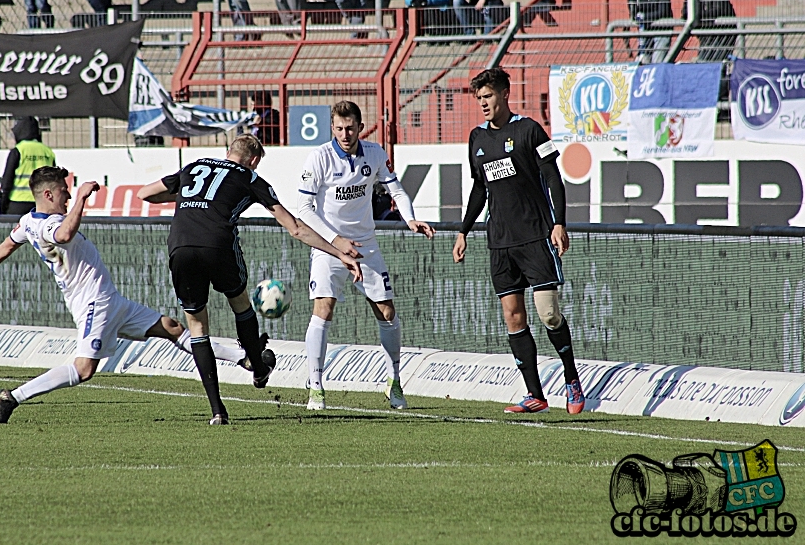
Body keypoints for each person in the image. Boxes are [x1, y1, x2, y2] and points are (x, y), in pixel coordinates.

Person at [138, 134, 363, 425]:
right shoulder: (251, 178)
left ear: (227, 151)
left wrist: (187, 196)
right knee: (241, 304)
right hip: (217, 244)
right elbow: (295, 228)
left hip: (180, 245)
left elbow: (146, 193)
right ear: (254, 161)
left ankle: (218, 410)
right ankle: (257, 367)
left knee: (196, 326)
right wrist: (337, 252)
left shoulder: (193, 168)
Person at [0, 167, 206, 423]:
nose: (68, 195)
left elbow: (9, 243)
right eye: (63, 190)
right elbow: (64, 235)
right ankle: (12, 397)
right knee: (83, 370)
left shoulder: (28, 221)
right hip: (94, 303)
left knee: (172, 327)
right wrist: (82, 198)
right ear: (48, 194)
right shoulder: (51, 224)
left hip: (111, 300)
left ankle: (244, 359)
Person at [452, 68, 585, 415]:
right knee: (513, 317)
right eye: (479, 98)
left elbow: (554, 179)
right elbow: (479, 188)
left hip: (535, 237)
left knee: (549, 314)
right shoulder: (477, 139)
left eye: (488, 96)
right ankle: (535, 395)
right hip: (500, 243)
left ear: (505, 94)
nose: (483, 103)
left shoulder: (529, 130)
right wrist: (464, 231)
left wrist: (559, 223)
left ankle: (571, 377)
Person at [298, 101, 435, 411]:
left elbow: (396, 190)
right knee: (324, 307)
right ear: (331, 128)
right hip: (328, 246)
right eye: (339, 128)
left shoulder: (373, 154)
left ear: (360, 127)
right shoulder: (318, 158)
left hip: (365, 246)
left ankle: (394, 381)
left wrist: (410, 219)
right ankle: (316, 386)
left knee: (386, 312)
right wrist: (336, 242)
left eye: (350, 128)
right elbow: (304, 210)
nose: (345, 134)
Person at [0, 116, 56, 215]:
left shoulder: (19, 150)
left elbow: (7, 179)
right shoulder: (48, 152)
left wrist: (3, 202)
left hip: (17, 202)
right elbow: (55, 180)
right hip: (41, 203)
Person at [627, 0, 672, 64]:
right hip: (645, 33)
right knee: (643, 62)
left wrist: (644, 17)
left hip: (662, 31)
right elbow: (633, 12)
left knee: (657, 62)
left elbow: (664, 11)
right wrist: (638, 17)